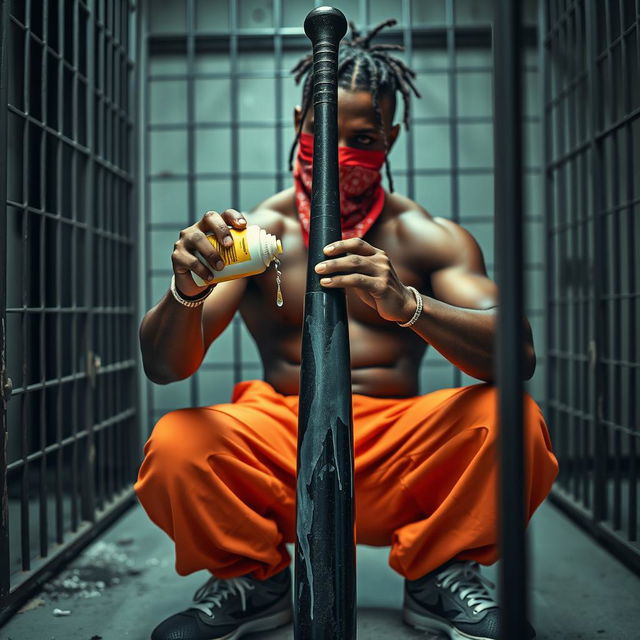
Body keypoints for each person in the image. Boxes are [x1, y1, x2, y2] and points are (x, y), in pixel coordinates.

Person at [134, 19, 558, 640]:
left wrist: (408, 303)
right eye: (326, 133)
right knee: (176, 443)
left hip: (398, 454)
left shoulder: (426, 237)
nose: (341, 156)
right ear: (302, 119)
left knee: (513, 421)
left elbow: (515, 351)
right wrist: (187, 291)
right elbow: (166, 366)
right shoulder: (256, 237)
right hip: (285, 444)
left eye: (362, 139)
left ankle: (441, 574)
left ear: (392, 134)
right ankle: (254, 579)